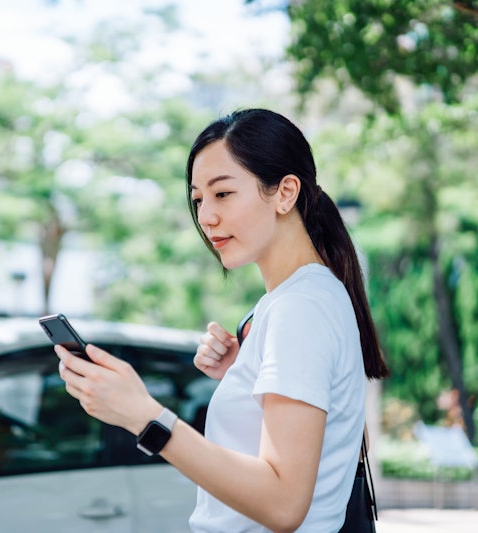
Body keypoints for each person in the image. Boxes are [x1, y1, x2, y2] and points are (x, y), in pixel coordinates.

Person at [55, 108, 390, 532]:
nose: (206, 217)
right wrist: (246, 374)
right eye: (198, 199)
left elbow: (284, 504)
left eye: (223, 194)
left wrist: (145, 416)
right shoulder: (293, 300)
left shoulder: (300, 308)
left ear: (286, 193)